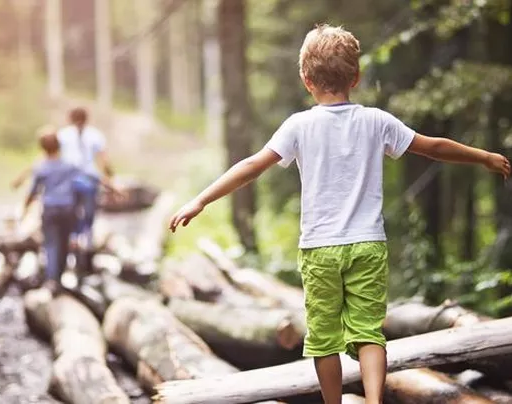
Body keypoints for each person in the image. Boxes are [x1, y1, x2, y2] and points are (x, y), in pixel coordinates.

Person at [168, 24, 510, 404]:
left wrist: (200, 199)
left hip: (320, 250)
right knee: (368, 333)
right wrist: (484, 157)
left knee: (323, 339)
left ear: (306, 79)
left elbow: (251, 166)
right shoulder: (376, 121)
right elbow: (433, 147)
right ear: (357, 77)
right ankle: (375, 400)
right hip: (367, 245)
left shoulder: (299, 126)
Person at [13, 107, 114, 273]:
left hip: (76, 187)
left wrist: (110, 181)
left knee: (73, 228)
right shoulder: (69, 139)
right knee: (81, 221)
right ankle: (80, 250)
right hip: (76, 184)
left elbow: (41, 165)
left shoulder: (84, 136)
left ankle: (76, 255)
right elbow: (102, 162)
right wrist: (111, 182)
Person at [22, 126, 118, 295]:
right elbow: (92, 176)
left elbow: (32, 192)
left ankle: (53, 280)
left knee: (51, 243)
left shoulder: (41, 167)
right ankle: (59, 277)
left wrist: (24, 210)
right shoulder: (69, 165)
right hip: (68, 209)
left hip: (50, 209)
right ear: (59, 146)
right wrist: (113, 187)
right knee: (64, 243)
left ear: (42, 148)